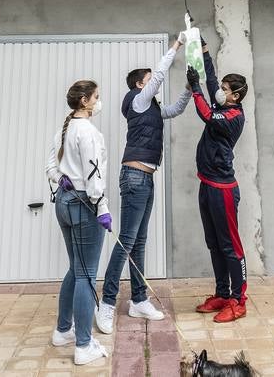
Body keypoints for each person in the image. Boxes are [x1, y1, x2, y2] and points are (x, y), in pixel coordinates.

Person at [96, 34, 190, 333]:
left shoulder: (151, 110)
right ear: (141, 85)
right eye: (148, 80)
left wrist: (189, 89)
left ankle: (138, 300)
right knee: (126, 241)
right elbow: (160, 74)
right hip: (134, 177)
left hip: (146, 179)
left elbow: (174, 110)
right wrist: (176, 46)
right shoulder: (138, 101)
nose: (153, 83)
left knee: (139, 242)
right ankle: (107, 303)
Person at [46, 80, 112, 366]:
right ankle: (83, 345)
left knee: (76, 268)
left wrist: (60, 177)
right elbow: (93, 175)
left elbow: (50, 165)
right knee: (87, 274)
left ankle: (63, 331)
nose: (99, 101)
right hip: (84, 203)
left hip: (64, 201)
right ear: (84, 101)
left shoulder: (66, 127)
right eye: (96, 97)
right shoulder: (87, 132)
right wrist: (102, 207)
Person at [186, 39, 248, 323]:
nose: (219, 91)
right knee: (214, 243)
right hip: (207, 184)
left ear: (235, 96)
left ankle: (238, 300)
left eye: (224, 90)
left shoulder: (232, 116)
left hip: (223, 189)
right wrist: (205, 51)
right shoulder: (225, 103)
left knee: (230, 245)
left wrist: (195, 88)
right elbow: (211, 79)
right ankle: (223, 293)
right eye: (221, 88)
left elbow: (207, 114)